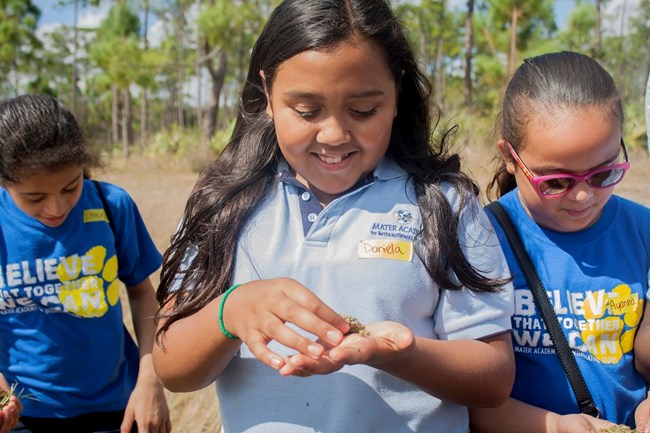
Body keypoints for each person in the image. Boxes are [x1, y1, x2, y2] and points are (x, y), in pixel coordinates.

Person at [152, 0, 515, 432]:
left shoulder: (443, 205)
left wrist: (401, 354)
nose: (334, 134)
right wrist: (230, 313)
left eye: (363, 111)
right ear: (267, 95)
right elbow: (172, 368)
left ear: (396, 91)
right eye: (306, 111)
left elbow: (493, 378)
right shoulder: (224, 205)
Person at [469, 51, 650, 433]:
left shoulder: (643, 231)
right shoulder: (480, 239)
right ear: (510, 158)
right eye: (556, 182)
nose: (583, 197)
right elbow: (472, 399)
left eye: (604, 174)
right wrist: (553, 426)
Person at [0, 94, 171, 433]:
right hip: (21, 416)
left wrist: (150, 379)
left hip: (115, 409)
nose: (56, 207)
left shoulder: (112, 206)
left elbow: (142, 294)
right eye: (34, 197)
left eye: (70, 186)